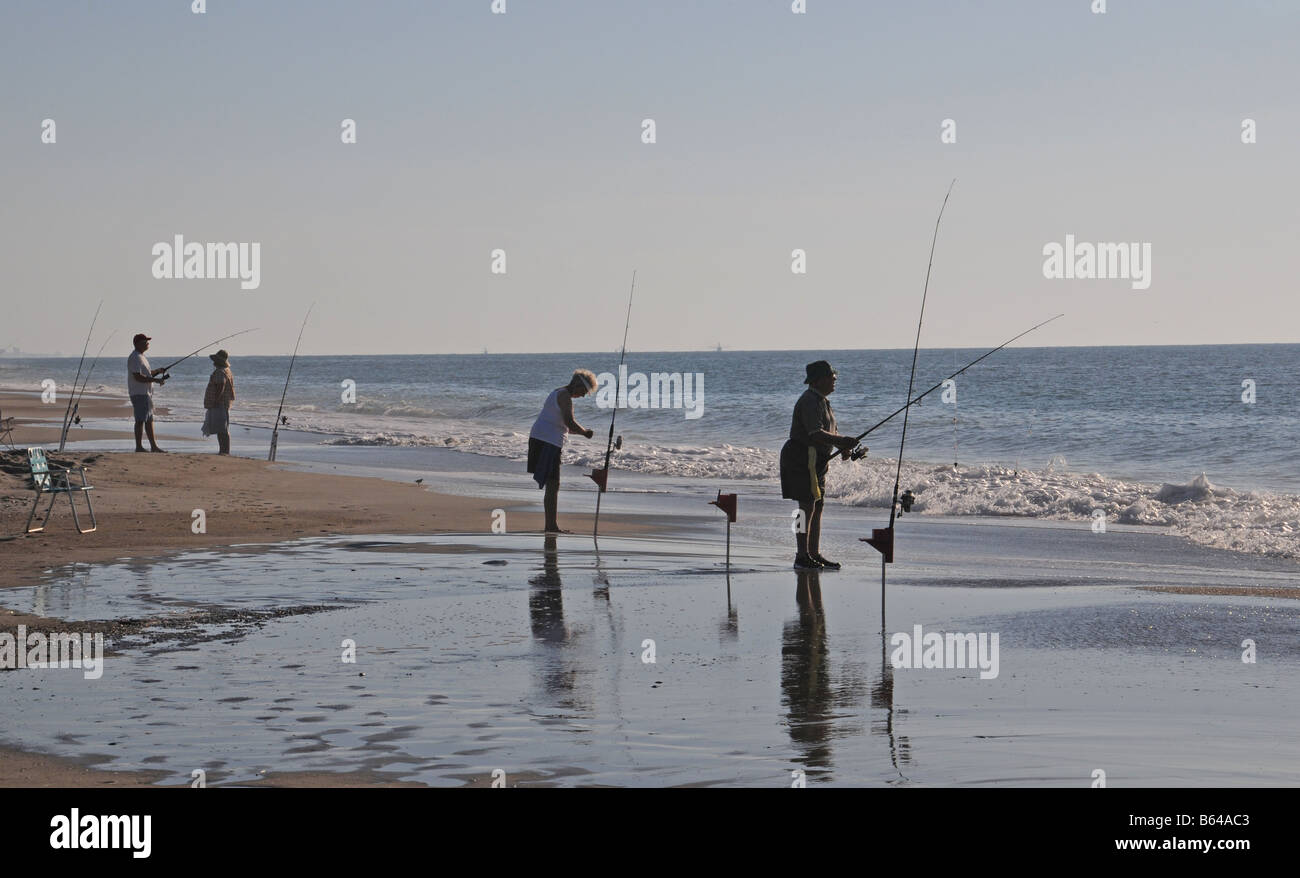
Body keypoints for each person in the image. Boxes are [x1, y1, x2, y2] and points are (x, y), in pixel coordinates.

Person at [779, 360, 860, 570]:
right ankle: (801, 556)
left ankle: (813, 553)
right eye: (832, 378)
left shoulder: (823, 401)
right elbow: (815, 433)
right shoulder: (809, 401)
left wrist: (842, 448)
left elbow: (830, 431)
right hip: (800, 458)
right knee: (804, 509)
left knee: (817, 506)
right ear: (820, 380)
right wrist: (842, 441)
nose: (835, 382)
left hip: (817, 461)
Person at [527, 370, 597, 533]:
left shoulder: (558, 392)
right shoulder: (565, 396)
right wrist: (585, 432)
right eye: (584, 392)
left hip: (543, 439)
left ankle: (550, 525)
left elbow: (564, 425)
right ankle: (551, 526)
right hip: (547, 442)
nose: (583, 396)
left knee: (553, 484)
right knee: (553, 485)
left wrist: (580, 431)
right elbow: (569, 422)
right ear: (578, 385)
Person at [127, 333, 167, 452]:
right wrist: (155, 380)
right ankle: (139, 447)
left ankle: (153, 446)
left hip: (146, 394)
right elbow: (138, 377)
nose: (147, 343)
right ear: (138, 343)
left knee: (149, 420)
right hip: (139, 393)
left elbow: (147, 374)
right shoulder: (135, 357)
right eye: (145, 341)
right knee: (140, 420)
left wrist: (158, 371)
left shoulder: (141, 356)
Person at [201, 349, 235, 454]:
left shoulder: (220, 371)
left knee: (222, 429)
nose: (213, 362)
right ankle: (224, 450)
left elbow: (221, 386)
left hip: (220, 404)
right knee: (223, 429)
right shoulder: (227, 370)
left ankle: (224, 451)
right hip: (224, 403)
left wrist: (216, 401)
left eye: (215, 360)